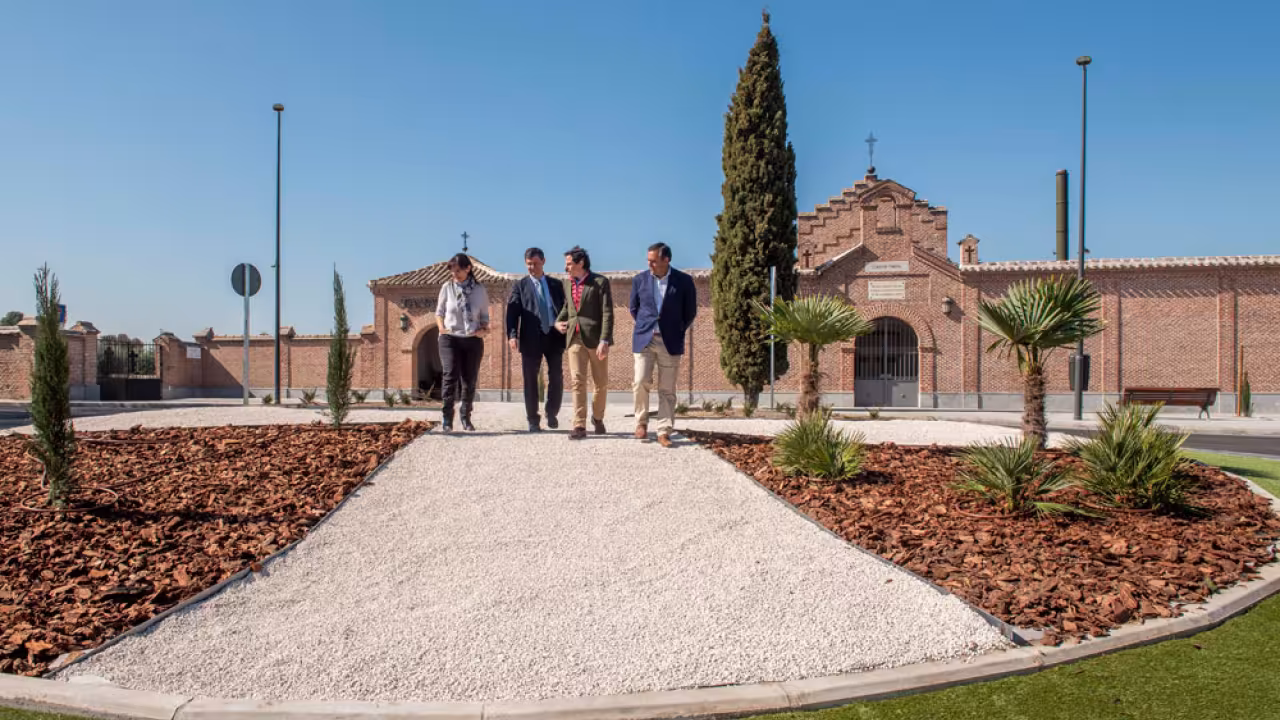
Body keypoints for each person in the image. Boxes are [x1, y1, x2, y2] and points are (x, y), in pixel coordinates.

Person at [629, 242, 697, 447]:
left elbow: (690, 312)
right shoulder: (639, 280)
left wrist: (675, 330)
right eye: (648, 260)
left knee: (667, 389)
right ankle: (641, 423)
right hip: (645, 339)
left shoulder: (684, 281)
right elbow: (634, 308)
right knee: (640, 381)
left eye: (653, 261)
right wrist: (646, 326)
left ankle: (664, 430)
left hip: (670, 342)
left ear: (666, 260)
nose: (649, 264)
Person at [554, 246, 613, 440]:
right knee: (577, 381)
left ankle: (597, 417)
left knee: (600, 383)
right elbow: (568, 307)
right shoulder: (567, 283)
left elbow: (607, 312)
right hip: (575, 338)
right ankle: (579, 424)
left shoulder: (600, 282)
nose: (566, 268)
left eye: (569, 264)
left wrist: (604, 339)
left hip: (596, 340)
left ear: (580, 263)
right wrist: (557, 322)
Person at [506, 247, 566, 432]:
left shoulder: (556, 285)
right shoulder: (520, 286)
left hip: (554, 336)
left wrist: (562, 324)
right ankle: (533, 419)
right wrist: (512, 334)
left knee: (556, 376)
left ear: (544, 262)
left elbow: (565, 308)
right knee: (530, 379)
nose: (532, 267)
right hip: (531, 338)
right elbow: (512, 312)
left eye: (536, 263)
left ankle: (552, 412)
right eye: (529, 264)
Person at [434, 253, 490, 432]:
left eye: (458, 270)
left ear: (468, 269)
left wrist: (483, 329)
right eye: (452, 271)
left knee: (469, 379)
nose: (454, 274)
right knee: (449, 375)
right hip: (449, 338)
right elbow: (439, 312)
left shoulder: (480, 290)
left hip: (472, 339)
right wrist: (442, 329)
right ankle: (447, 419)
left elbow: (484, 318)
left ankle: (466, 417)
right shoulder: (447, 287)